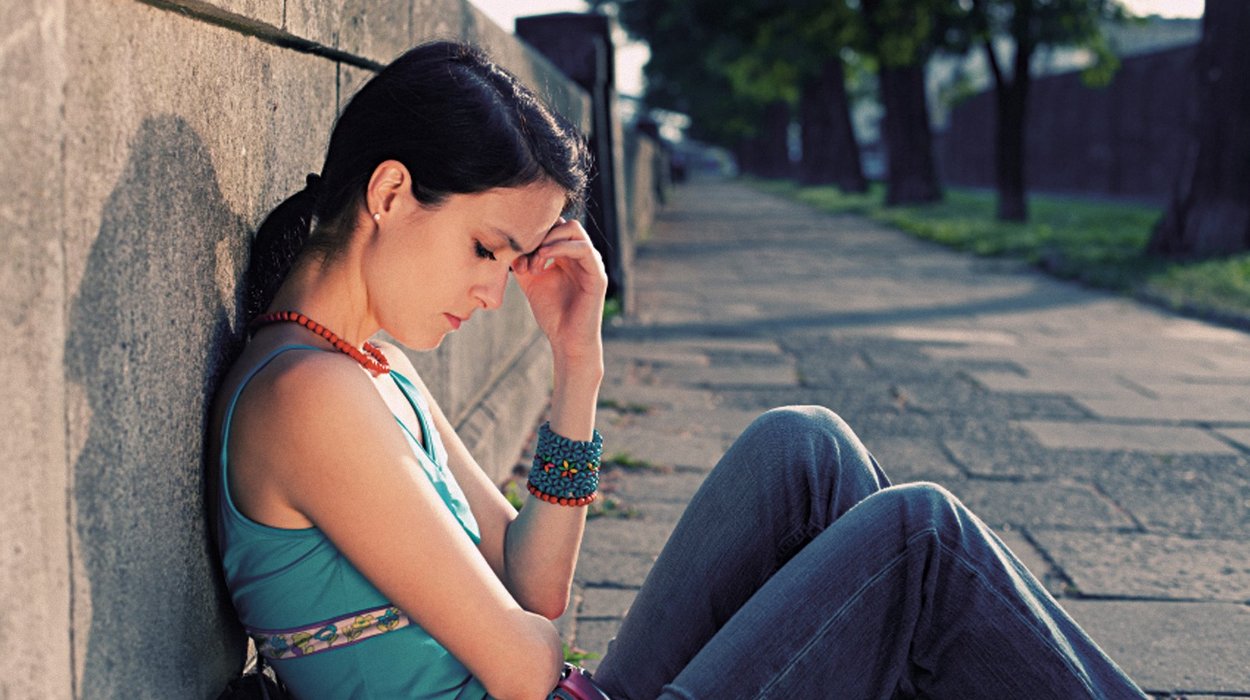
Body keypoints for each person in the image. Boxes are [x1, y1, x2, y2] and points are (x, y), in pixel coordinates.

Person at [211, 40, 1148, 700]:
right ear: (389, 192)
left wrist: (577, 365)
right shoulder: (308, 399)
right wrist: (515, 626)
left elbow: (533, 596)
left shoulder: (370, 369)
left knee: (805, 449)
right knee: (919, 540)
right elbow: (525, 663)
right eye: (488, 248)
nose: (495, 292)